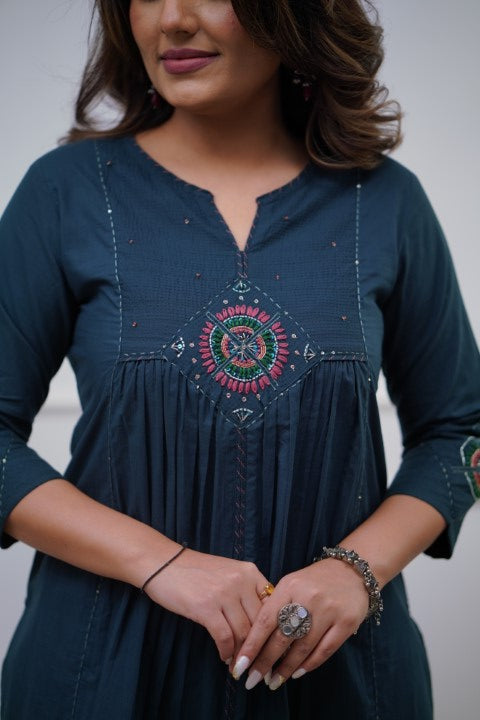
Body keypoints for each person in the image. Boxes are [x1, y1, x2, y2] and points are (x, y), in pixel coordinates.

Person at [1, 0, 479, 718]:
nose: (172, 19)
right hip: (101, 671)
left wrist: (354, 573)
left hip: (339, 676)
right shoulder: (66, 192)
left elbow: (461, 432)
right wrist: (162, 564)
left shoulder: (382, 201)